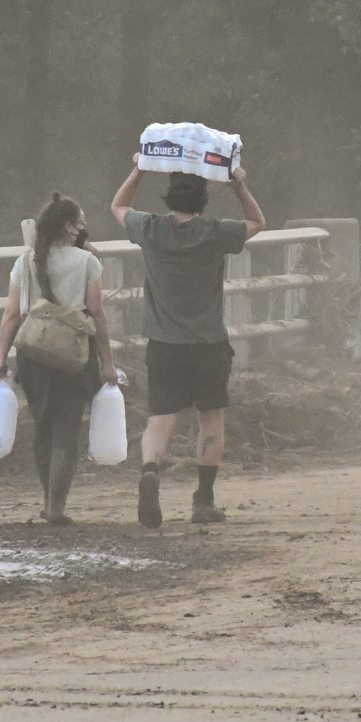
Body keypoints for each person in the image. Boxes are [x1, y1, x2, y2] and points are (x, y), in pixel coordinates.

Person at [111, 161, 264, 527]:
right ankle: (203, 500)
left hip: (164, 342)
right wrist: (238, 186)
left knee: (160, 417)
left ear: (169, 197)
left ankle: (150, 470)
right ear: (203, 200)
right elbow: (258, 223)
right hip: (209, 342)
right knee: (211, 418)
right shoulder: (215, 233)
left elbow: (118, 206)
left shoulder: (149, 229)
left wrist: (138, 171)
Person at [0, 194, 116, 526]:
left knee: (42, 425)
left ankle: (47, 501)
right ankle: (57, 505)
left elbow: (11, 314)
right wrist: (107, 361)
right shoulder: (87, 262)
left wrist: (1, 358)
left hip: (32, 354)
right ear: (68, 227)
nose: (83, 229)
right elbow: (97, 313)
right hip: (74, 354)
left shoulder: (25, 261)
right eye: (81, 223)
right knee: (67, 427)